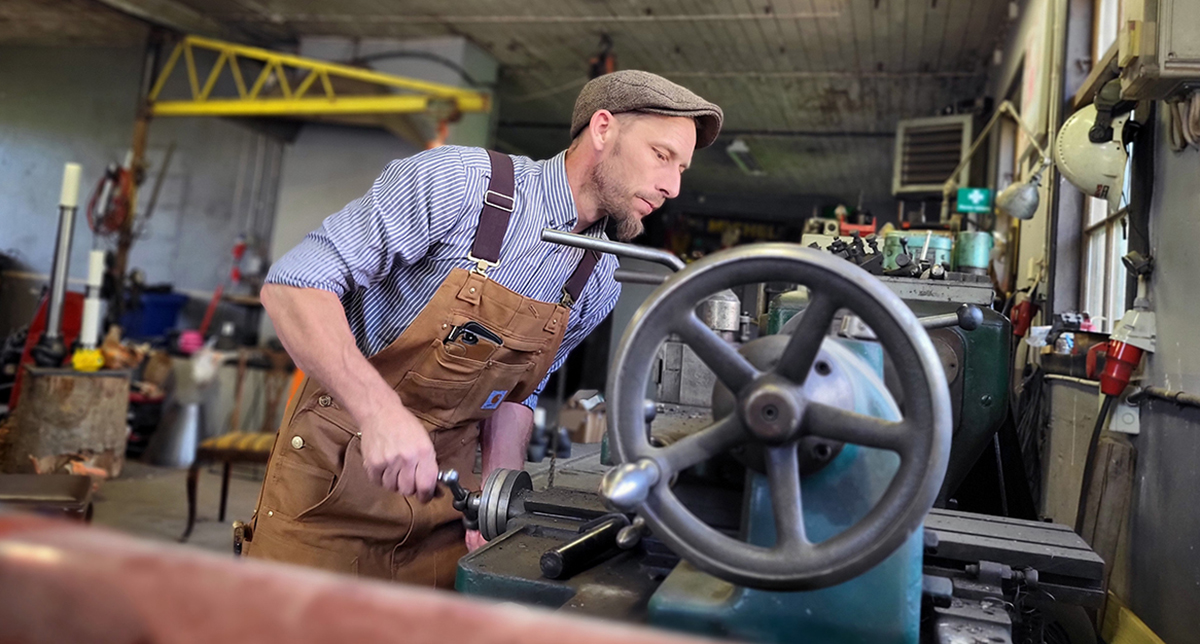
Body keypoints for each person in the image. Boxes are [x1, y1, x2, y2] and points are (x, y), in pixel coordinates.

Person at [244, 70, 723, 586]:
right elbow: (294, 286)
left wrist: (499, 493)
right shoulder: (459, 184)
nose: (672, 187)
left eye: (682, 168)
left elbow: (518, 393)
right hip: (331, 488)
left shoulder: (598, 278)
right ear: (603, 129)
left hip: (442, 510)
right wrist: (380, 412)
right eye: (661, 155)